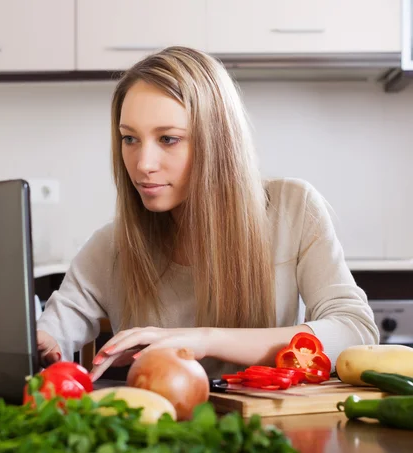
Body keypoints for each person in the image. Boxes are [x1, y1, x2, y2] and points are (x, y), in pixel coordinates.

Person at [36, 46, 379, 382]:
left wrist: (205, 340)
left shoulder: (293, 208)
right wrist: (40, 343)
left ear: (217, 141)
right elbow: (51, 333)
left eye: (168, 139)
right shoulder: (112, 245)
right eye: (130, 139)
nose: (143, 164)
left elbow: (355, 330)